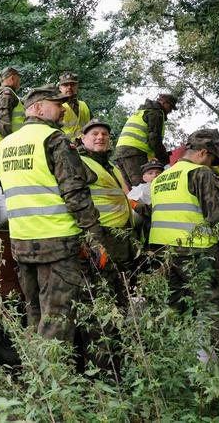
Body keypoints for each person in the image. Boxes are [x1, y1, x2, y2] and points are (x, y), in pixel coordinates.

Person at [0, 85, 103, 343]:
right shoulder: (54, 140)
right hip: (57, 245)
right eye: (57, 104)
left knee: (35, 314)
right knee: (56, 319)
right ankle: (54, 379)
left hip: (22, 246)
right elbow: (75, 193)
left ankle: (37, 375)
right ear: (39, 108)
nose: (63, 108)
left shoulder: (6, 144)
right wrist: (96, 239)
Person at [149, 129, 219, 316]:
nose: (213, 164)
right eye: (213, 158)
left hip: (163, 252)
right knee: (215, 306)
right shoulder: (200, 173)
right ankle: (215, 345)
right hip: (196, 251)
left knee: (173, 308)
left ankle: (176, 345)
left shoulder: (161, 178)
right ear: (203, 152)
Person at [77, 120, 132, 370]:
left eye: (105, 134)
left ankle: (116, 360)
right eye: (94, 134)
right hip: (98, 240)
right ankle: (101, 368)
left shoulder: (111, 165)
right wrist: (90, 241)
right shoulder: (79, 162)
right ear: (83, 138)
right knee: (99, 305)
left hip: (120, 241)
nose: (100, 137)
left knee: (119, 303)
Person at [114, 93, 177, 188]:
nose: (170, 111)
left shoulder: (143, 111)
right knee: (143, 187)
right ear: (164, 103)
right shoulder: (156, 112)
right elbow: (154, 138)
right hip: (134, 152)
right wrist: (164, 158)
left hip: (121, 152)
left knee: (134, 191)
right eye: (171, 107)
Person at [128, 159, 165, 243]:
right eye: (150, 173)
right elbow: (129, 200)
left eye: (158, 172)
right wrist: (137, 206)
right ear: (144, 177)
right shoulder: (141, 188)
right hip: (148, 224)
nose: (155, 175)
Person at [0, 66, 25, 148]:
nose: (19, 81)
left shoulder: (6, 93)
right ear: (12, 78)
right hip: (10, 145)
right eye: (18, 78)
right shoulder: (6, 93)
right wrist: (9, 143)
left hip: (5, 144)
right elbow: (3, 119)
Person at [59, 72, 92, 141]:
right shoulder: (56, 106)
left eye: (72, 84)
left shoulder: (84, 105)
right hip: (65, 147)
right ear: (60, 88)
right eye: (65, 85)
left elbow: (92, 126)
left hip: (85, 146)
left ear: (77, 86)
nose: (69, 87)